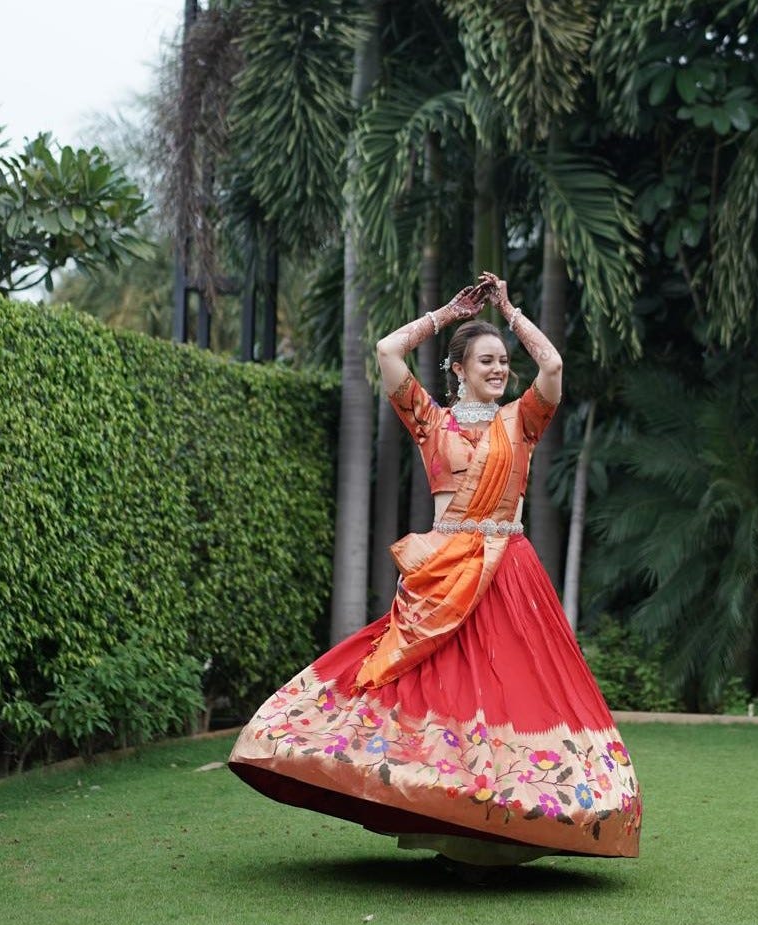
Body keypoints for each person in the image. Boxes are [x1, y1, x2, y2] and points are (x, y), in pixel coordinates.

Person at [228, 272, 641, 868]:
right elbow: (387, 352)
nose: (501, 369)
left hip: (507, 572)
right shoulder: (431, 423)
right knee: (440, 689)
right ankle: (448, 814)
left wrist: (510, 312)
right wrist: (449, 314)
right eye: (488, 360)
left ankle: (506, 822)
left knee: (510, 692)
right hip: (443, 573)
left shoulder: (521, 421)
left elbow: (551, 366)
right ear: (459, 369)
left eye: (503, 361)